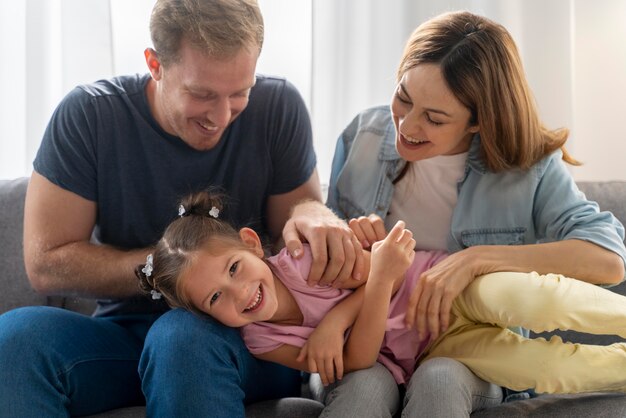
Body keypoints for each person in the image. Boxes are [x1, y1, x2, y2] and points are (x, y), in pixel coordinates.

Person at [0, 0, 363, 416]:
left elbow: (295, 233)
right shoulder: (89, 115)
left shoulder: (279, 106)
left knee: (180, 338)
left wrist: (313, 212)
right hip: (122, 335)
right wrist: (184, 272)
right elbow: (46, 263)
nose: (222, 115)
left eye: (240, 93)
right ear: (155, 64)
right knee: (14, 339)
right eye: (201, 94)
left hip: (250, 338)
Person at [322, 10, 626, 417]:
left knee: (440, 379)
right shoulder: (362, 135)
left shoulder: (528, 167)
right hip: (368, 341)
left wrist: (475, 260)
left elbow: (607, 260)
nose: (406, 125)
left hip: (469, 352)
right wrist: (343, 241)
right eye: (404, 97)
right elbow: (319, 256)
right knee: (361, 389)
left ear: (478, 121)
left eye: (434, 117)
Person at [137, 190, 626, 403]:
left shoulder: (309, 256)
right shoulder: (261, 341)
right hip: (436, 349)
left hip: (446, 288)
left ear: (249, 243)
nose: (240, 294)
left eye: (235, 270)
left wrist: (336, 320)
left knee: (536, 301)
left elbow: (387, 271)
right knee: (544, 370)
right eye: (215, 300)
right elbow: (360, 358)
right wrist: (347, 317)